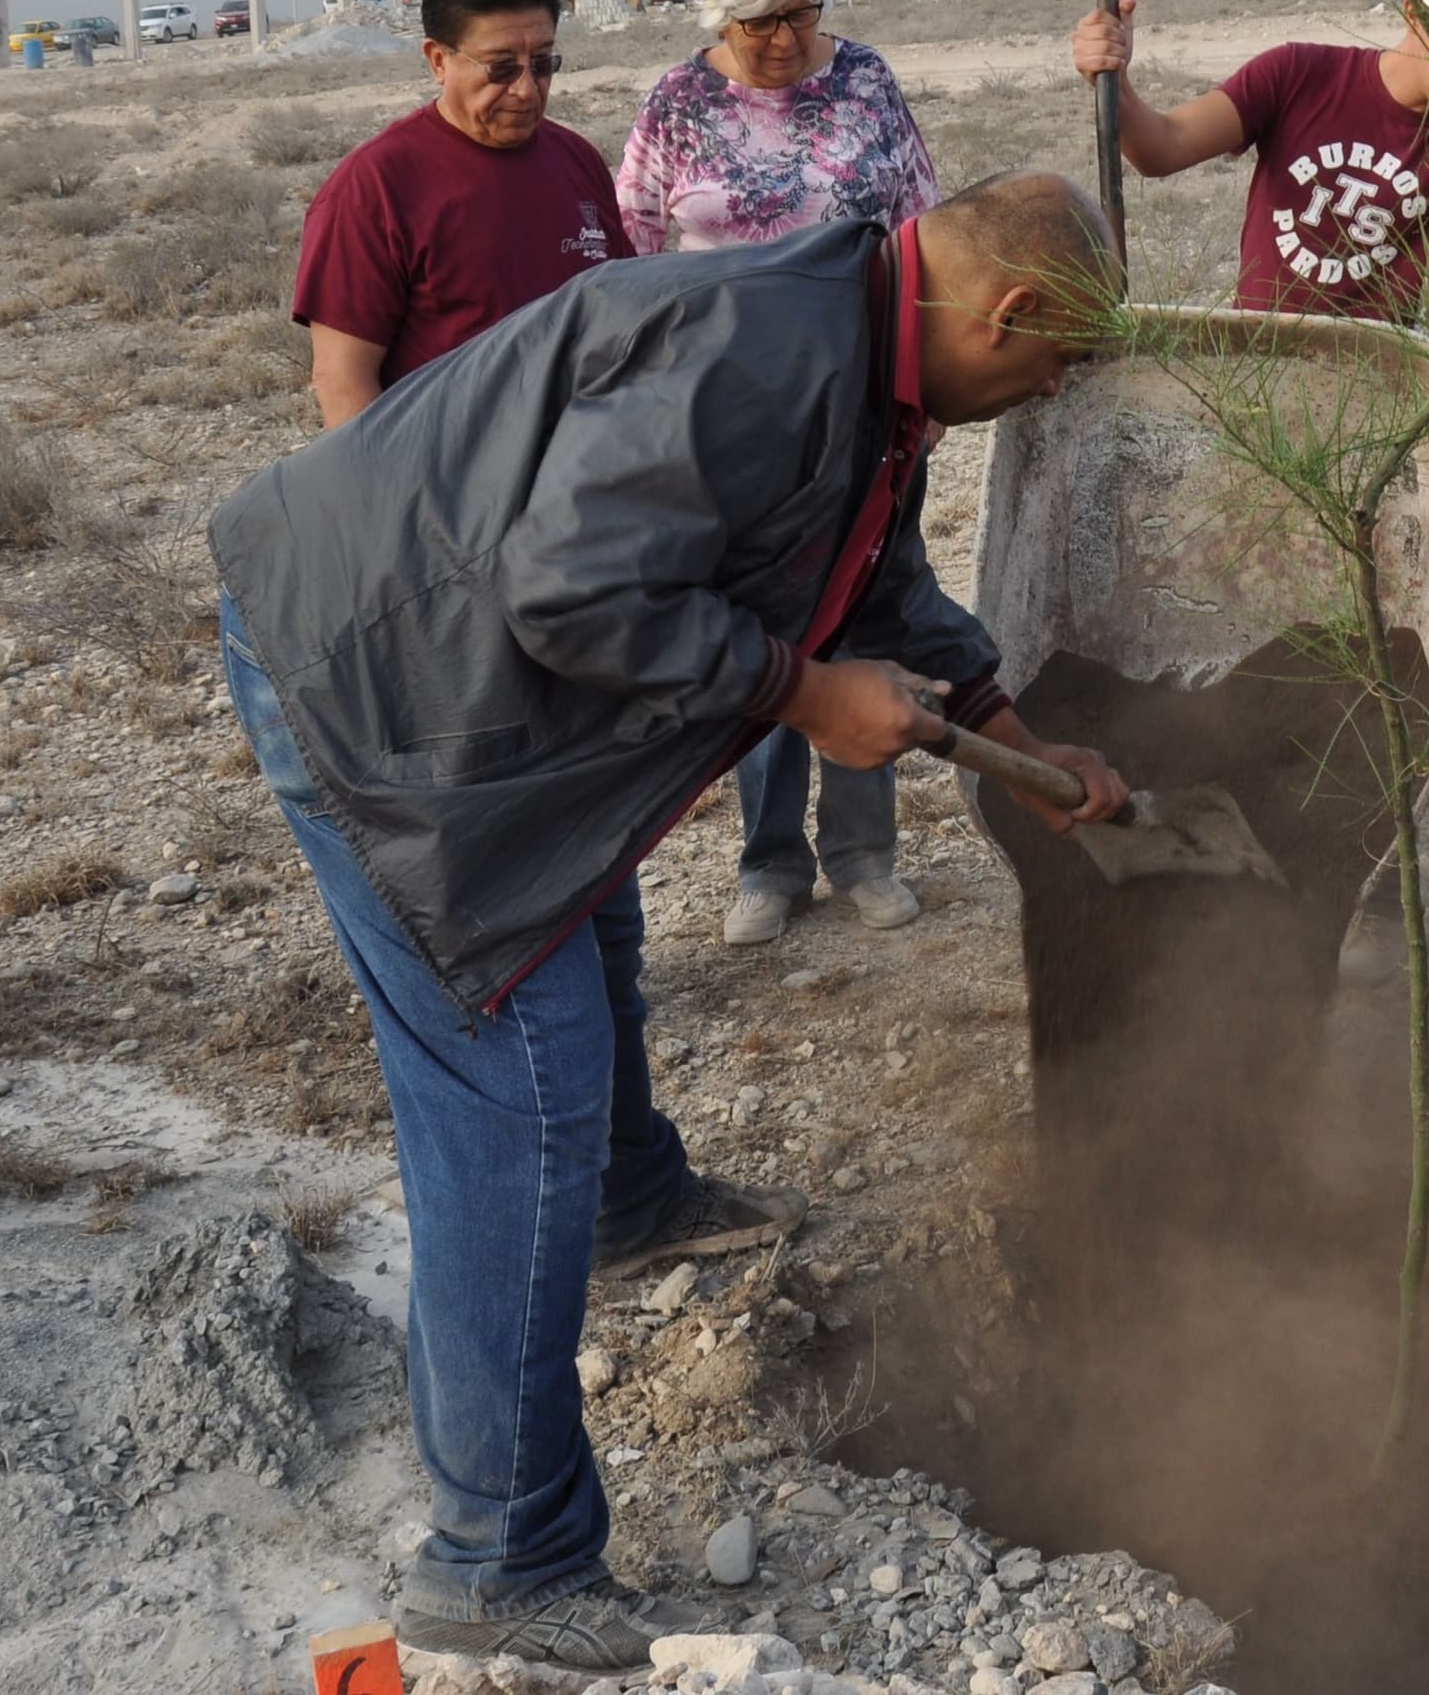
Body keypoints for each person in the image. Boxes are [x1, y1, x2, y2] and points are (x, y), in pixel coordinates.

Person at [208, 173, 1131, 1675]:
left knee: (590, 947)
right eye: (1056, 365)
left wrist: (1003, 722)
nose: (1053, 390)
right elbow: (568, 589)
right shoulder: (769, 348)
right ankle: (499, 1561)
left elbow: (869, 570)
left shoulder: (871, 341)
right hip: (378, 672)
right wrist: (800, 692)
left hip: (448, 658)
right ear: (1008, 312)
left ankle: (632, 1209)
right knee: (521, 1077)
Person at [617, 0, 946, 945]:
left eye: (799, 13)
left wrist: (924, 393)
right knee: (761, 641)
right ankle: (770, 864)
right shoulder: (676, 101)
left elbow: (924, 235)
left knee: (865, 622)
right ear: (720, 13)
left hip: (862, 413)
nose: (783, 40)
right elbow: (627, 255)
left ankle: (863, 852)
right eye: (758, 21)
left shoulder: (866, 84)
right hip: (728, 424)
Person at [1066, 0, 1429, 320]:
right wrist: (1115, 79)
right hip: (1267, 356)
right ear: (1414, 12)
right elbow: (1163, 147)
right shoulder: (1298, 73)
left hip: (1385, 375)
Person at [292, 0, 623, 428]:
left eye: (543, 63)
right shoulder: (374, 189)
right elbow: (343, 382)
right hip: (451, 479)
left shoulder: (578, 160)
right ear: (438, 61)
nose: (527, 89)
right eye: (501, 67)